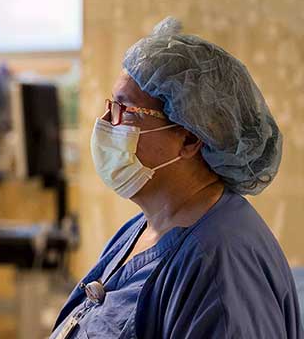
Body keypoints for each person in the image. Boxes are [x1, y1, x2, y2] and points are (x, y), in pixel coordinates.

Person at [50, 17, 302, 338]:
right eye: (110, 104)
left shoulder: (220, 266)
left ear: (189, 139)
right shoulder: (145, 227)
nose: (105, 121)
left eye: (125, 110)